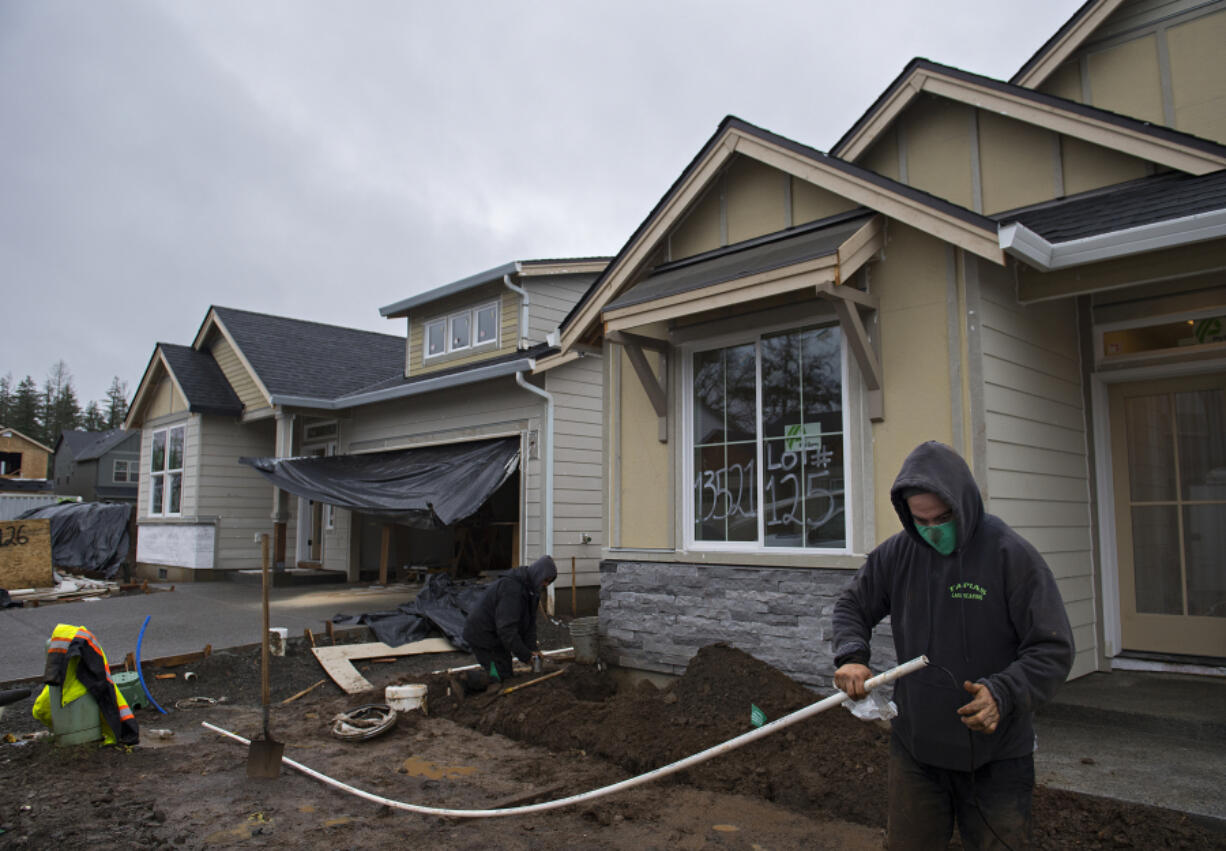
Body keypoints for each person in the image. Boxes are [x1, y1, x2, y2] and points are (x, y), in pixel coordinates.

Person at [832, 441, 1074, 849]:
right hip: (917, 751)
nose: (933, 530)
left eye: (943, 518)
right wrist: (852, 656)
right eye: (921, 520)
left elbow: (1052, 648)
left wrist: (1003, 691)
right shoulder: (898, 554)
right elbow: (852, 605)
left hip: (996, 757)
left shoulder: (1009, 556)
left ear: (963, 504)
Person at [456, 555, 557, 695]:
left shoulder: (532, 591)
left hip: (496, 637)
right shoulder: (512, 589)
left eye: (549, 582)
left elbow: (529, 626)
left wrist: (532, 649)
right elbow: (506, 629)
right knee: (498, 677)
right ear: (538, 574)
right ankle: (464, 681)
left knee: (507, 675)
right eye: (545, 580)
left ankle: (484, 679)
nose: (545, 584)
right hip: (483, 635)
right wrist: (525, 655)